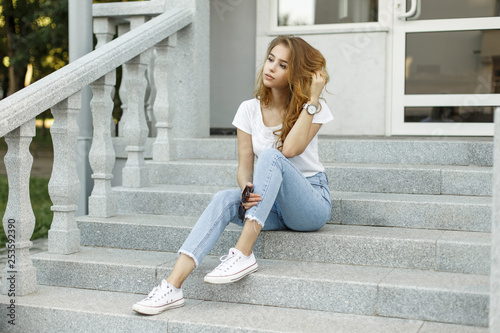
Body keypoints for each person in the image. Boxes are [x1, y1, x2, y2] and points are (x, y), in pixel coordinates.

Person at [132, 35, 333, 315]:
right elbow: (244, 167)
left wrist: (312, 99)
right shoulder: (248, 109)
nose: (271, 67)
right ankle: (172, 287)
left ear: (296, 73)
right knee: (224, 198)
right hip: (270, 204)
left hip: (310, 202)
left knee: (272, 155)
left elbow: (289, 150)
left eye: (283, 64)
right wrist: (246, 189)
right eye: (270, 59)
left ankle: (243, 253)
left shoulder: (313, 108)